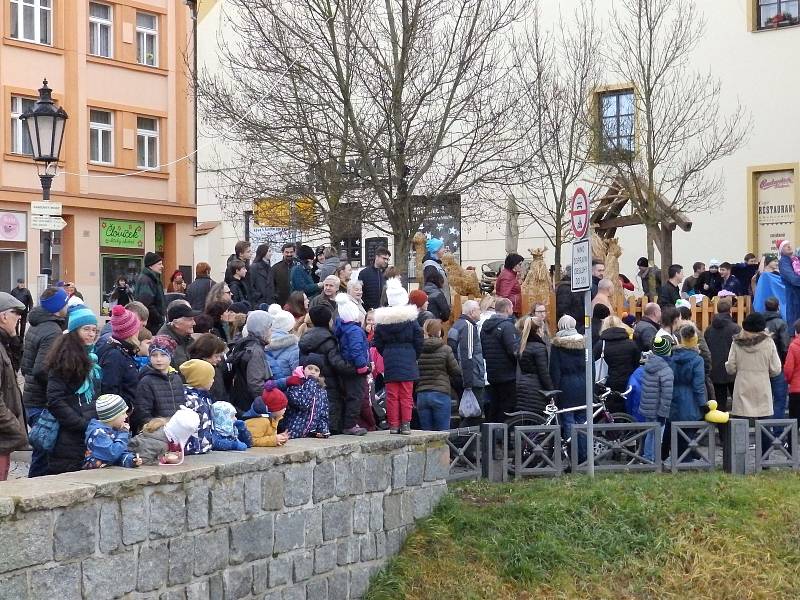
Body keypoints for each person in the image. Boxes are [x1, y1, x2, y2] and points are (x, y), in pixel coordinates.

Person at [44, 305, 102, 475]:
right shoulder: (65, 358)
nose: (91, 334)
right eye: (86, 329)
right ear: (75, 330)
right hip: (69, 435)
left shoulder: (92, 358)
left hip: (88, 431)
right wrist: (80, 423)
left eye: (94, 330)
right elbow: (55, 400)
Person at [21, 287, 69, 477]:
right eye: (65, 302)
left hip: (32, 398)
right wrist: (55, 391)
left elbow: (27, 366)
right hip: (41, 401)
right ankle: (35, 488)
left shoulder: (37, 324)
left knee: (41, 449)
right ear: (58, 307)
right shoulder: (52, 331)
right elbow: (42, 369)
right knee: (44, 451)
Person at [373, 279, 423, 434]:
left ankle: (394, 425)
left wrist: (387, 352)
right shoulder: (411, 319)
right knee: (406, 395)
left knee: (392, 395)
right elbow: (419, 340)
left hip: (390, 359)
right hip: (408, 358)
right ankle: (406, 425)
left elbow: (378, 342)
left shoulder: (382, 321)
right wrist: (414, 354)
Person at [298, 305, 358, 433]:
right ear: (329, 320)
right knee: (331, 409)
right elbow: (337, 363)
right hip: (329, 382)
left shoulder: (305, 339)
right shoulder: (329, 339)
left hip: (308, 380)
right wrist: (356, 369)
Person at [726, 312, 781, 422]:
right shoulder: (768, 342)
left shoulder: (737, 343)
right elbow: (776, 369)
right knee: (764, 425)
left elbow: (730, 368)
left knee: (740, 426)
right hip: (762, 386)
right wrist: (765, 373)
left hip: (742, 387)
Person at [549, 315, 587, 458]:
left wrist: (555, 392)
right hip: (583, 385)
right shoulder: (583, 343)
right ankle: (584, 456)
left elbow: (555, 371)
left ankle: (573, 456)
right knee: (583, 421)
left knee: (568, 420)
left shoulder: (557, 345)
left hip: (566, 386)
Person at [333, 293, 370, 435]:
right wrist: (362, 366)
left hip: (347, 367)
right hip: (356, 369)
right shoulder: (354, 330)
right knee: (356, 396)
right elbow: (356, 350)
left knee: (349, 395)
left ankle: (348, 422)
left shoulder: (342, 329)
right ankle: (350, 424)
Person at [132, 336, 185, 433]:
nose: (158, 359)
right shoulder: (146, 381)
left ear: (170, 356)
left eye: (163, 355)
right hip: (156, 432)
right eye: (154, 355)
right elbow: (142, 412)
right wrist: (156, 427)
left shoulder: (176, 378)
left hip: (176, 432)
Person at [0, 293, 27, 481]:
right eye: (15, 313)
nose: (19, 318)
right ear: (3, 316)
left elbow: (15, 368)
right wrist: (15, 427)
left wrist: (15, 340)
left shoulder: (5, 344)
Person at [416, 319, 460, 431]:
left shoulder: (418, 350)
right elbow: (455, 371)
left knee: (426, 435)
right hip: (441, 393)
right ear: (439, 332)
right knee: (443, 434)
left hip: (422, 394)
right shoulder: (446, 349)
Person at [480, 297, 520, 421]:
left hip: (492, 373)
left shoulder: (485, 328)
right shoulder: (507, 326)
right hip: (508, 375)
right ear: (507, 309)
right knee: (507, 409)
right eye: (512, 307)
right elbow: (513, 350)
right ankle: (504, 438)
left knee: (495, 406)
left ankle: (493, 436)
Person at [447, 300, 486, 422]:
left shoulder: (456, 325)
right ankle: (462, 441)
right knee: (474, 415)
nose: (480, 312)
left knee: (466, 413)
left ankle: (463, 440)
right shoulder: (468, 327)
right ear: (472, 312)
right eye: (479, 309)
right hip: (471, 378)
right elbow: (467, 355)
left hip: (459, 376)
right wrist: (468, 383)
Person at [97, 305, 141, 409]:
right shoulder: (115, 355)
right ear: (131, 332)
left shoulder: (123, 350)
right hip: (120, 416)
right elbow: (110, 390)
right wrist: (127, 408)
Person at [228, 310, 273, 414]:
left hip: (241, 399)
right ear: (263, 329)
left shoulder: (245, 343)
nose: (271, 332)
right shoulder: (255, 351)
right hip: (251, 405)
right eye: (269, 328)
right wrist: (269, 401)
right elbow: (256, 384)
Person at [82, 394, 142, 469]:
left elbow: (120, 453)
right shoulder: (98, 433)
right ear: (112, 416)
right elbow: (112, 454)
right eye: (123, 413)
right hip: (95, 476)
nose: (126, 416)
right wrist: (123, 433)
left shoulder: (116, 429)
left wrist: (131, 460)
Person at [593, 316, 640, 409]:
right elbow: (636, 363)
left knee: (609, 410)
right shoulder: (631, 344)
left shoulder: (600, 344)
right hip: (627, 382)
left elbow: (594, 362)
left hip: (607, 383)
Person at [640, 336, 674, 463]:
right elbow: (666, 395)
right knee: (658, 434)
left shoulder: (648, 365)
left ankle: (647, 457)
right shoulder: (666, 370)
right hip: (658, 409)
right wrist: (663, 414)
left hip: (647, 407)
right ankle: (654, 460)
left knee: (650, 433)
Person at [703, 298, 740, 410]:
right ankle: (737, 427)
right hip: (733, 370)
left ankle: (721, 427)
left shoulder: (709, 330)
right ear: (730, 311)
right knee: (738, 403)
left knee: (720, 404)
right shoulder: (736, 329)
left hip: (716, 370)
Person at [279, 360, 330, 438]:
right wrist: (311, 382)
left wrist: (322, 430)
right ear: (303, 369)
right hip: (292, 432)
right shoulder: (296, 383)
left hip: (309, 434)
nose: (312, 372)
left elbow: (323, 413)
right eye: (310, 368)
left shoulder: (322, 391)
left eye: (316, 370)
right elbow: (303, 404)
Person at [516, 316, 553, 415]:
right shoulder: (539, 347)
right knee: (537, 423)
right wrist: (551, 390)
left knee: (526, 421)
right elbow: (543, 373)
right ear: (539, 330)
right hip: (536, 390)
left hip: (522, 386)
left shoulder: (522, 345)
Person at [179, 359, 216, 455]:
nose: (213, 380)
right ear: (201, 379)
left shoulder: (205, 397)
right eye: (210, 378)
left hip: (204, 446)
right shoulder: (190, 398)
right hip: (192, 447)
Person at [188, 332, 231, 404]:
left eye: (220, 356)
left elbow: (223, 397)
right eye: (216, 356)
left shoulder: (216, 369)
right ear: (205, 354)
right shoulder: (195, 372)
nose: (219, 359)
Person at [157, 303, 201, 369]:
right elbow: (181, 370)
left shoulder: (186, 337)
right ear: (176, 323)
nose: (194, 323)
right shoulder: (164, 344)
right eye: (190, 320)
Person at [265, 305, 300, 380]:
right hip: (287, 387)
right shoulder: (293, 346)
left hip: (268, 387)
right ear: (291, 326)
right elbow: (297, 372)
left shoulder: (263, 343)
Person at [136, 252, 167, 334]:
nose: (162, 266)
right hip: (152, 326)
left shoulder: (151, 279)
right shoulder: (147, 280)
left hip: (153, 324)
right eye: (159, 264)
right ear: (151, 265)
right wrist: (160, 319)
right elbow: (147, 304)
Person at [358, 246, 390, 312]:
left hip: (385, 312)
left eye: (387, 259)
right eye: (384, 258)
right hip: (368, 312)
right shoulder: (364, 273)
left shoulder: (388, 274)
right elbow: (359, 293)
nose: (386, 261)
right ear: (377, 257)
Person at [555, 266, 585, 333]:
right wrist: (571, 322)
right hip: (571, 325)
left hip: (576, 324)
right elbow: (562, 309)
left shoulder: (576, 287)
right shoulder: (565, 288)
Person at [778, 240, 800, 329]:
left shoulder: (795, 259)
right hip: (794, 296)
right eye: (785, 246)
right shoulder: (784, 261)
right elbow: (793, 279)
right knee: (795, 321)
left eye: (789, 245)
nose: (789, 246)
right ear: (781, 251)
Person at [422, 238, 451, 302]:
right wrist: (442, 305)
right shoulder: (430, 266)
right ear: (436, 250)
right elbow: (431, 289)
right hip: (438, 306)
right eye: (442, 248)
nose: (444, 250)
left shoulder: (436, 263)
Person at [764, 296, 790, 362]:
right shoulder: (781, 323)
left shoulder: (759, 322)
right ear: (778, 307)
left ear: (765, 308)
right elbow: (785, 345)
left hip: (762, 358)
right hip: (776, 359)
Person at [783, 320, 800, 424]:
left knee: (794, 420)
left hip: (796, 388)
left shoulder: (793, 346)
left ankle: (791, 440)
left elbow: (788, 369)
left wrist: (789, 381)